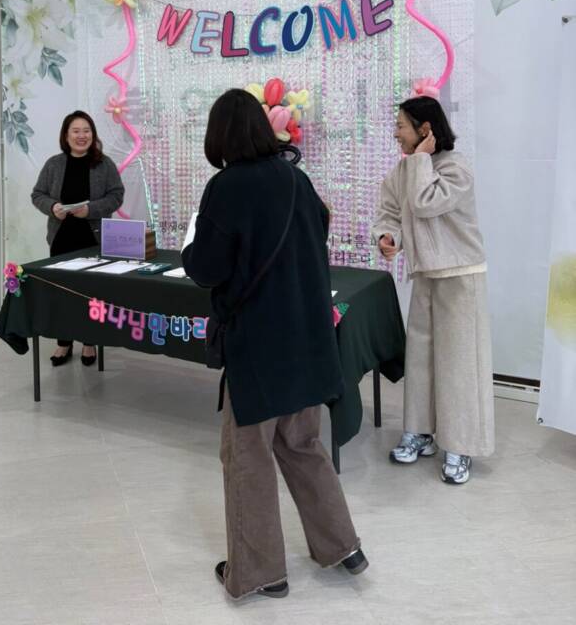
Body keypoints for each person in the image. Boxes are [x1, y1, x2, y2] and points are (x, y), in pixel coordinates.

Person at [182, 89, 367, 601]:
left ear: (219, 135)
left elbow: (207, 268)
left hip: (258, 345)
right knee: (303, 445)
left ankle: (262, 571)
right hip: (309, 338)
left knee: (248, 457)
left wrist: (192, 246)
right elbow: (318, 235)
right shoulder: (297, 179)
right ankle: (343, 546)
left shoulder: (226, 187)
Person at [374, 96, 494, 485]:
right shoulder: (405, 169)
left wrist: (421, 159)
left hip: (460, 275)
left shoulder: (456, 168)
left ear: (425, 130)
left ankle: (460, 445)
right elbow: (390, 211)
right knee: (421, 360)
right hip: (425, 274)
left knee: (459, 365)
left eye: (401, 126)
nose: (395, 133)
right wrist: (388, 236)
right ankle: (420, 432)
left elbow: (425, 203)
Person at [31, 110, 124, 366]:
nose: (81, 136)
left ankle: (89, 342)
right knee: (61, 292)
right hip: (61, 239)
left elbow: (116, 196)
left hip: (93, 240)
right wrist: (52, 207)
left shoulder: (104, 164)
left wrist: (90, 210)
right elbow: (37, 194)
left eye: (86, 131)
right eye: (76, 131)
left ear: (93, 134)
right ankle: (63, 342)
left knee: (90, 293)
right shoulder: (54, 164)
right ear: (66, 135)